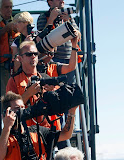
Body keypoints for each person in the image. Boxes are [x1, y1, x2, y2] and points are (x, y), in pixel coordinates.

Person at [6, 32, 79, 130]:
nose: (33, 56)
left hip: (50, 131)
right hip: (28, 133)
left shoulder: (46, 78)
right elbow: (10, 113)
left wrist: (53, 92)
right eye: (29, 54)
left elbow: (62, 107)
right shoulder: (14, 81)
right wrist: (28, 94)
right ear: (20, 58)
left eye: (35, 54)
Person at [37, 0, 81, 149]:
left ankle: (68, 128)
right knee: (57, 99)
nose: (62, 0)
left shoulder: (68, 15)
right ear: (49, 2)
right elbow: (41, 40)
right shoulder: (43, 17)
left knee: (68, 97)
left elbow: (78, 35)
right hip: (53, 62)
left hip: (69, 62)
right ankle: (61, 135)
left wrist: (68, 22)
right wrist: (51, 20)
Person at [0, 91, 78, 160]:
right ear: (6, 113)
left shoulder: (37, 131)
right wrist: (7, 127)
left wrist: (72, 111)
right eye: (17, 108)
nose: (22, 111)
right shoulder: (4, 138)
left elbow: (66, 135)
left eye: (23, 107)